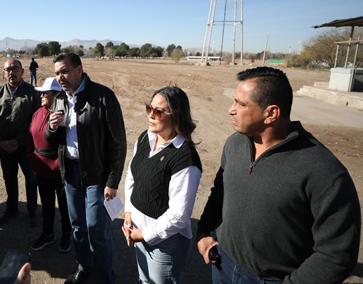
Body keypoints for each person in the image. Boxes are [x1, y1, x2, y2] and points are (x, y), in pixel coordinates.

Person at [197, 67, 361, 284]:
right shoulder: (235, 144)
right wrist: (204, 233)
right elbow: (220, 192)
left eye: (241, 104)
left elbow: (336, 256)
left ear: (271, 113)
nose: (231, 110)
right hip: (222, 266)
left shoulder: (324, 172)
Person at [46, 53, 126, 284]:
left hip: (96, 175)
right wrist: (51, 128)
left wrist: (112, 180)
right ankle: (84, 267)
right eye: (57, 73)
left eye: (64, 71)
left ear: (79, 70)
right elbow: (52, 138)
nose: (60, 77)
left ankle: (104, 278)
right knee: (78, 227)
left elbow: (118, 142)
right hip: (70, 173)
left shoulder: (103, 96)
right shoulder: (60, 99)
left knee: (95, 229)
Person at [123, 86, 202, 284]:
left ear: (176, 116)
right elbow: (132, 177)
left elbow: (179, 216)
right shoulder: (144, 138)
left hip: (166, 243)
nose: (151, 114)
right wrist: (128, 214)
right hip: (138, 230)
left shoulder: (185, 158)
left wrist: (144, 235)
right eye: (149, 108)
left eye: (158, 111)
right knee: (144, 280)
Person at [0, 59, 40, 226]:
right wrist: (0, 141)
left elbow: (36, 122)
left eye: (15, 69)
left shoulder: (33, 93)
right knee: (9, 178)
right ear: (3, 73)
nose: (11, 72)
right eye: (7, 69)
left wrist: (18, 141)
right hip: (4, 147)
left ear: (22, 71)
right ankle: (12, 209)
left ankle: (32, 211)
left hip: (26, 147)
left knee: (31, 179)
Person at [27, 77, 72, 252]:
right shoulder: (38, 112)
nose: (41, 95)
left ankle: (67, 233)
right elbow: (30, 136)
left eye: (45, 93)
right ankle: (48, 234)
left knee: (64, 205)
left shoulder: (64, 114)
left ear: (57, 95)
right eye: (41, 92)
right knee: (46, 204)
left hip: (59, 171)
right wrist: (31, 157)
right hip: (41, 170)